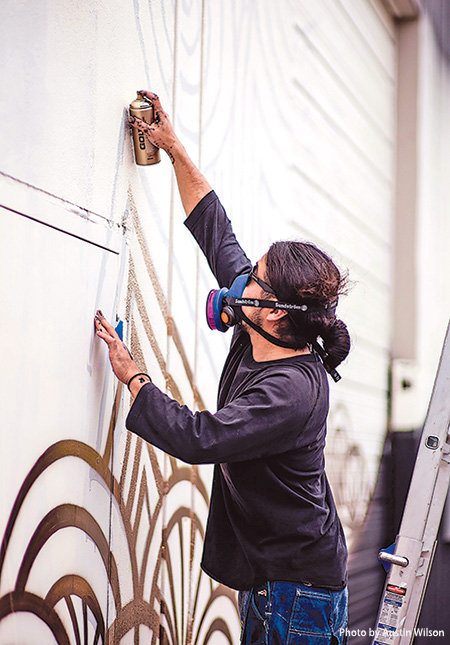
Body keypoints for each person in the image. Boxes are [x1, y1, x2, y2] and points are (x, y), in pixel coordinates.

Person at [95, 91, 350, 645]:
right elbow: (217, 232)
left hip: (300, 590)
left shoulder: (290, 393)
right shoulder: (259, 319)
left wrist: (134, 377)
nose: (240, 284)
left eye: (253, 279)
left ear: (278, 311)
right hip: (270, 577)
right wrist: (173, 148)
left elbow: (200, 438)